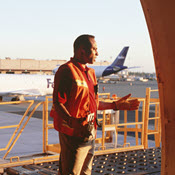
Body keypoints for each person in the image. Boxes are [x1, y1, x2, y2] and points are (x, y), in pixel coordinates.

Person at [50, 34, 140, 175]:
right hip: (73, 134)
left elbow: (94, 103)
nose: (98, 53)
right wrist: (73, 123)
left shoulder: (90, 73)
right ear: (82, 51)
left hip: (89, 132)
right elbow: (57, 103)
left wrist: (115, 105)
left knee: (86, 172)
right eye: (94, 49)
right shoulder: (66, 71)